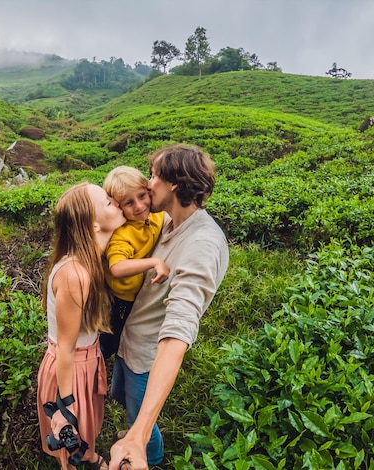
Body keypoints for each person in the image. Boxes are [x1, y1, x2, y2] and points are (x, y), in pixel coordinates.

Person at [108, 144, 230, 469]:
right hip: (130, 339)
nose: (149, 184)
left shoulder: (202, 244)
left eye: (154, 176)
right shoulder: (166, 222)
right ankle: (134, 429)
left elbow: (179, 330)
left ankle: (150, 452)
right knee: (125, 401)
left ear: (174, 184)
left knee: (139, 413)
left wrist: (139, 433)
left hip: (147, 354)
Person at [36, 182, 126, 470]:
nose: (118, 203)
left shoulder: (91, 261)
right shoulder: (75, 274)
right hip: (70, 369)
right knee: (69, 439)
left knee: (87, 428)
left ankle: (90, 457)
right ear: (93, 222)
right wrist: (67, 403)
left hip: (86, 361)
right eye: (109, 202)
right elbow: (65, 348)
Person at [100, 166, 168, 360]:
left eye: (141, 196)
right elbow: (117, 267)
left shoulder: (157, 214)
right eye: (128, 202)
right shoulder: (122, 234)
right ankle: (90, 367)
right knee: (111, 341)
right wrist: (153, 261)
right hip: (121, 298)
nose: (139, 206)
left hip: (139, 295)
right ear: (118, 207)